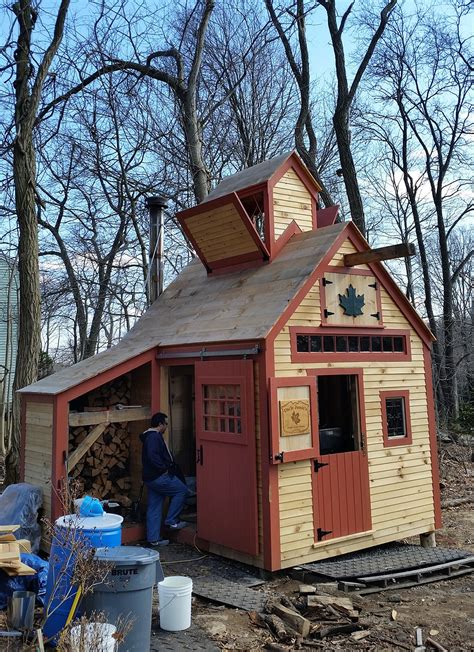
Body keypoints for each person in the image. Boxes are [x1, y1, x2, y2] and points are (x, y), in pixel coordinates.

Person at [140, 412, 189, 546]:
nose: (166, 426)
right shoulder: (154, 438)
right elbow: (152, 456)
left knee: (154, 507)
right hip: (159, 476)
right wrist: (164, 469)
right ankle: (172, 521)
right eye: (166, 424)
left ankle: (153, 539)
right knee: (181, 491)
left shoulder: (149, 436)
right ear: (160, 424)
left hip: (150, 478)